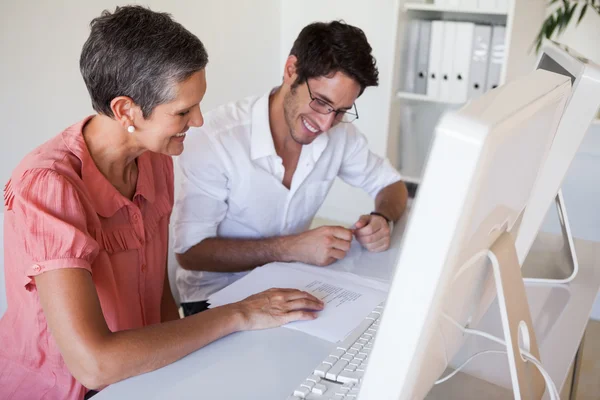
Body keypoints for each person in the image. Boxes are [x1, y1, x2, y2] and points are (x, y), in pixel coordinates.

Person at [0, 6, 323, 400]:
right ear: (125, 110)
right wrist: (240, 313)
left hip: (143, 377)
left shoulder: (155, 156)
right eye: (183, 111)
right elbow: (92, 364)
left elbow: (157, 290)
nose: (200, 121)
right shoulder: (48, 186)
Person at [173, 21, 408, 316]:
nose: (325, 124)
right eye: (321, 102)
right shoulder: (215, 138)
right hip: (217, 300)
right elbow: (190, 254)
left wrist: (382, 218)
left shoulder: (339, 134)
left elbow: (391, 185)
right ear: (291, 70)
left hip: (290, 287)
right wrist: (290, 248)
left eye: (341, 111)